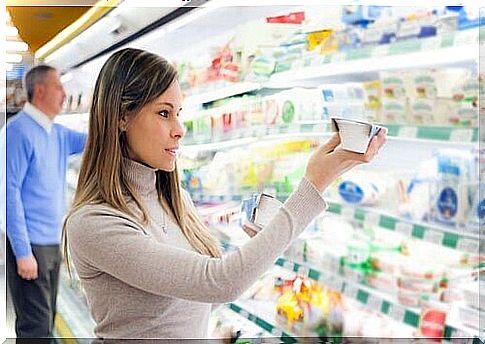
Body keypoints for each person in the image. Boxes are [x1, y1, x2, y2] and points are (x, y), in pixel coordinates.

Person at [63, 48, 387, 340]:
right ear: (121, 118)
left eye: (179, 112)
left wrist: (264, 239)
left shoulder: (174, 201)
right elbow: (219, 281)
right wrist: (314, 184)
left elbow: (203, 296)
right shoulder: (94, 222)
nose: (180, 128)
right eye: (164, 113)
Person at [2, 65, 87, 340]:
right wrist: (23, 252)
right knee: (34, 330)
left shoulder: (57, 133)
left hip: (51, 244)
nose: (64, 93)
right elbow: (8, 193)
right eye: (59, 86)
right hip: (30, 246)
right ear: (40, 91)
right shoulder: (17, 132)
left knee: (46, 321)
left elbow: (95, 140)